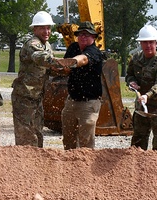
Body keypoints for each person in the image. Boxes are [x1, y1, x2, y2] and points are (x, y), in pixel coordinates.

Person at [11, 11, 74, 147]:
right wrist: (64, 62)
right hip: (24, 97)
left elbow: (49, 69)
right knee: (26, 138)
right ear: (35, 29)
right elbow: (40, 58)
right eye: (42, 28)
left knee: (38, 134)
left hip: (37, 97)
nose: (46, 31)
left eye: (48, 28)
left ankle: (35, 165)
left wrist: (65, 71)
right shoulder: (32, 43)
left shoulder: (47, 46)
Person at [125, 24, 157, 152]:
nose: (148, 46)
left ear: (156, 43)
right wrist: (132, 82)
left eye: (151, 42)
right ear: (140, 44)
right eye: (145, 42)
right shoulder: (135, 59)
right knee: (138, 143)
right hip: (142, 108)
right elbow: (129, 75)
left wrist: (147, 95)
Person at [61, 21, 105, 149]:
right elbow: (66, 68)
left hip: (89, 103)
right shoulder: (73, 48)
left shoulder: (94, 52)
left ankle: (85, 166)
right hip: (72, 100)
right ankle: (70, 165)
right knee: (68, 139)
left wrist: (73, 61)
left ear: (93, 37)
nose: (83, 37)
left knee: (86, 142)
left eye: (87, 34)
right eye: (80, 34)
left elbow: (84, 59)